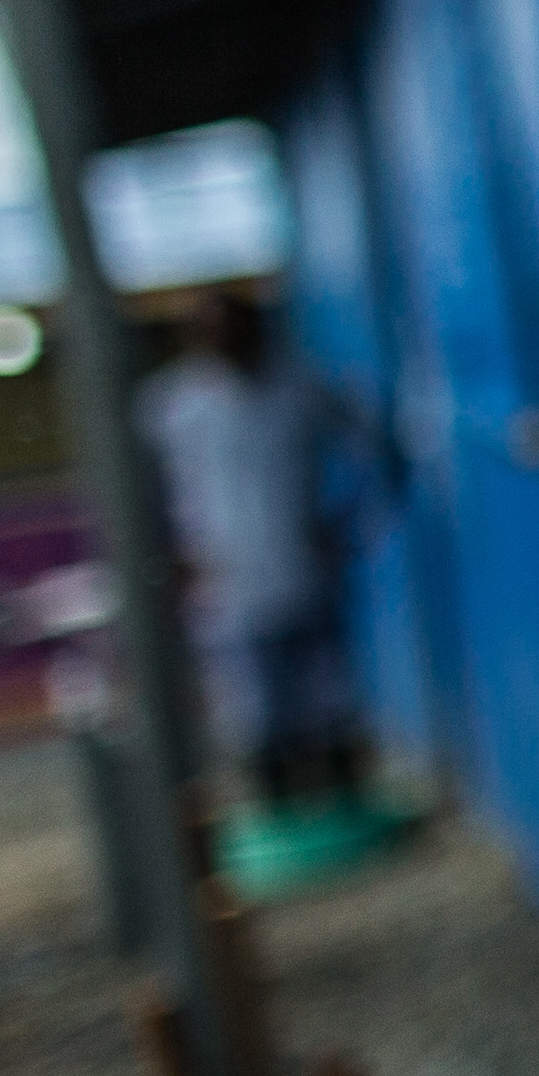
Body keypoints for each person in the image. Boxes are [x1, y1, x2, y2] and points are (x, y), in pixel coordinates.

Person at [134, 287, 365, 820]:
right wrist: (167, 556)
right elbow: (142, 495)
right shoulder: (172, 406)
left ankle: (340, 801)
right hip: (222, 578)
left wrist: (347, 523)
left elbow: (369, 451)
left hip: (302, 567)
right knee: (253, 705)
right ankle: (277, 809)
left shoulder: (301, 390)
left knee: (324, 691)